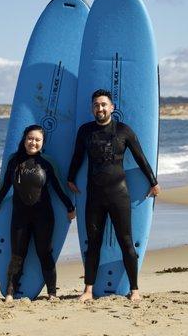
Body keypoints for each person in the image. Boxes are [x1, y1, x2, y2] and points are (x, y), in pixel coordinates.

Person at [67, 89, 160, 302]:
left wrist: (153, 182)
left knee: (126, 241)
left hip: (119, 194)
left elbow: (140, 157)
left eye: (103, 104)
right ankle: (88, 290)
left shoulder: (124, 131)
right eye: (96, 105)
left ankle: (134, 290)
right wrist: (70, 178)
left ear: (112, 107)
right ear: (92, 108)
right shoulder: (85, 131)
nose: (99, 108)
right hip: (94, 196)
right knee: (93, 243)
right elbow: (77, 156)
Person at [0, 124, 76, 302]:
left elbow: (58, 186)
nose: (33, 142)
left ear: (42, 143)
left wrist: (69, 207)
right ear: (24, 139)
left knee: (45, 254)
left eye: (37, 140)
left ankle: (52, 293)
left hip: (43, 216)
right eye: (30, 138)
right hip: (20, 216)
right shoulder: (14, 160)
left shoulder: (47, 162)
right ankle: (9, 293)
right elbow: (6, 185)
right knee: (17, 255)